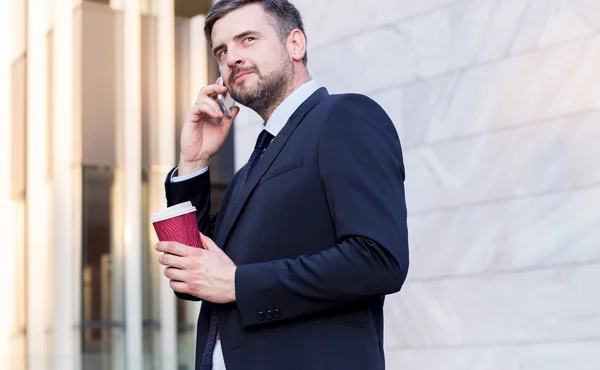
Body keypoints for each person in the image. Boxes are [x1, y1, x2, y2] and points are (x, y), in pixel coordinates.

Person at [154, 0, 409, 369]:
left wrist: (239, 283)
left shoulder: (344, 117)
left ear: (295, 44)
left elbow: (379, 259)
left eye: (248, 39)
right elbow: (196, 273)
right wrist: (193, 163)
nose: (232, 58)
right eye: (221, 50)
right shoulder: (247, 172)